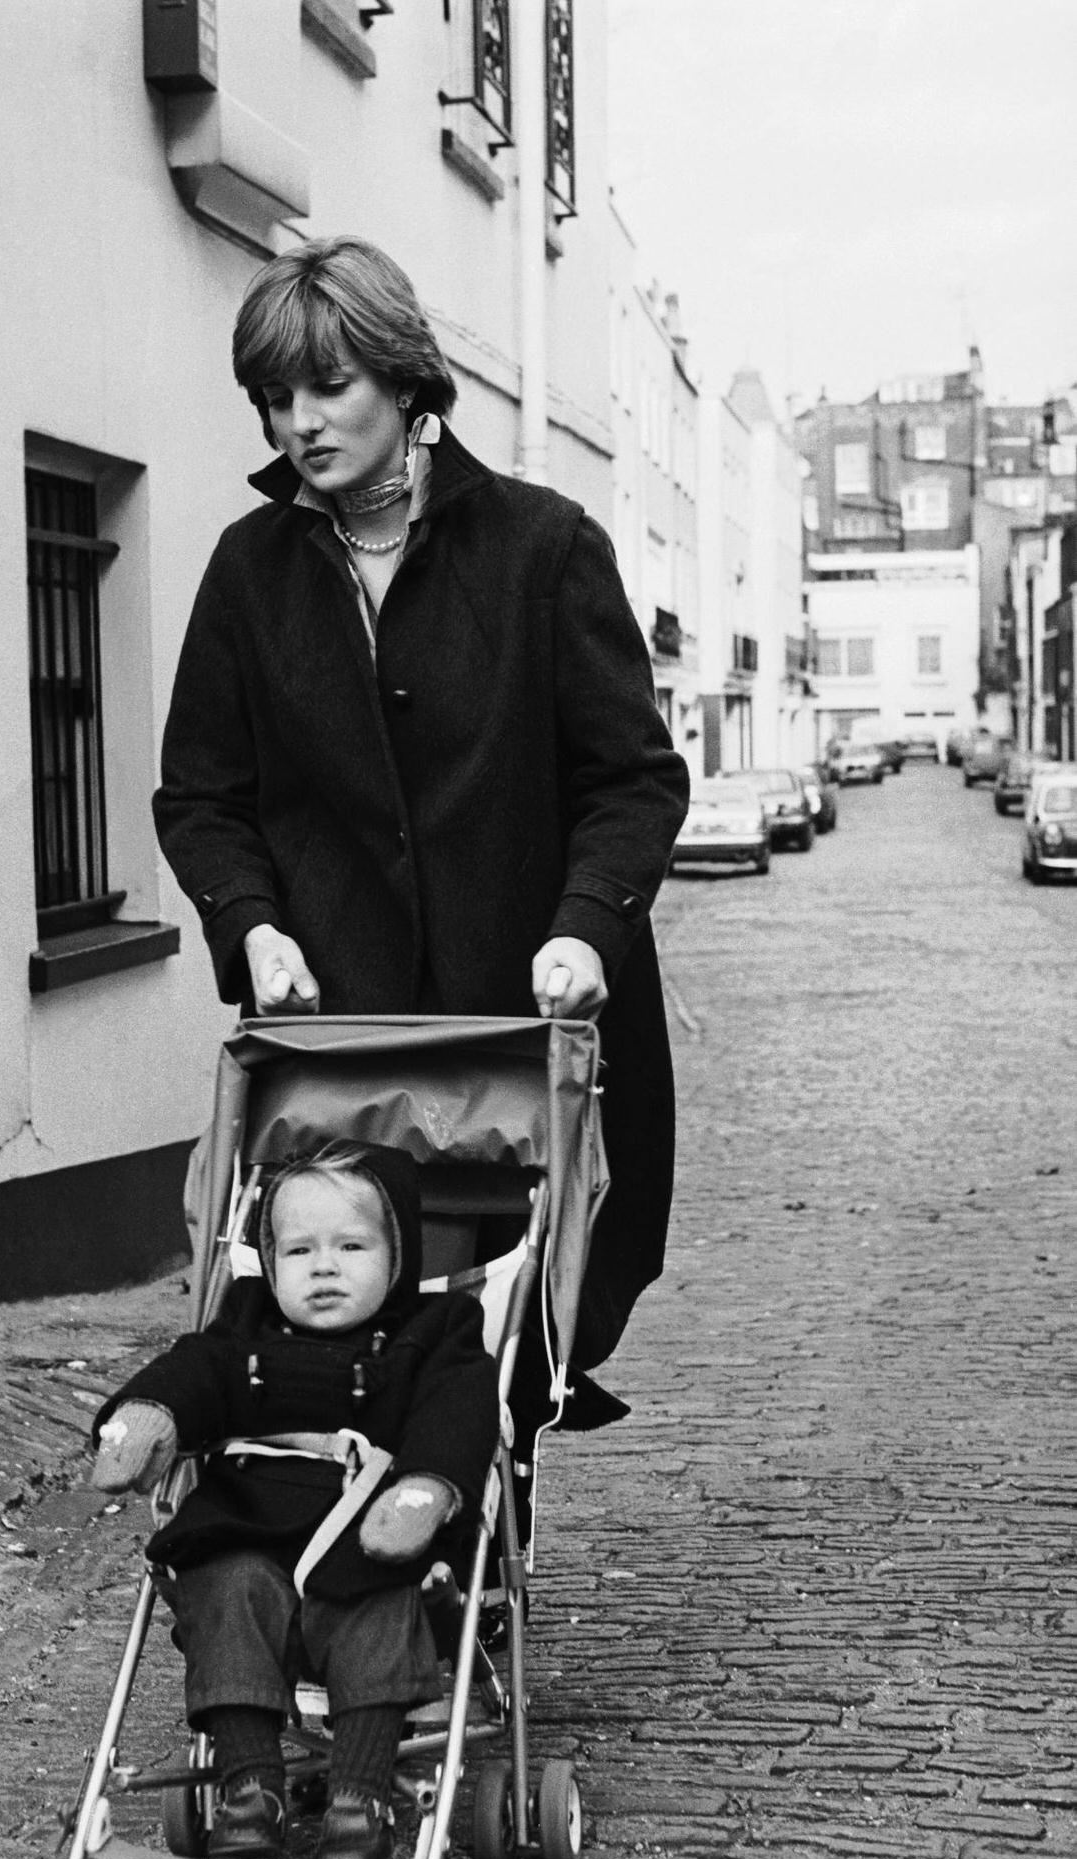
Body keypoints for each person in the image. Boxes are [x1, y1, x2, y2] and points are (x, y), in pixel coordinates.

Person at [154, 235, 690, 1373]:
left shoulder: (543, 551)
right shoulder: (248, 573)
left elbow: (632, 778)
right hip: (339, 1052)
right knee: (331, 1344)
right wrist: (248, 924)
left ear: (404, 379)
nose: (301, 421)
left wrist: (586, 925)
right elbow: (201, 794)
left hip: (523, 1042)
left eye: (330, 385)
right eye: (273, 397)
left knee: (496, 1357)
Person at [90, 1140, 499, 1859]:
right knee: (222, 1585)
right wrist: (146, 1414)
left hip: (371, 1536)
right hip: (250, 1527)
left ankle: (360, 1796)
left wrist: (424, 1488)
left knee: (384, 1602)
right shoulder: (243, 1326)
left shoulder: (437, 1330)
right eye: (298, 1248)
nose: (324, 1265)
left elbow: (458, 1414)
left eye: (351, 1244)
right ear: (268, 1259)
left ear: (398, 1253)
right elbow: (193, 1372)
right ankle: (250, 1786)